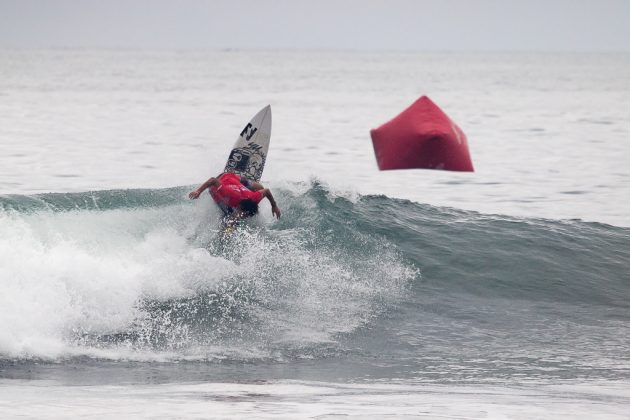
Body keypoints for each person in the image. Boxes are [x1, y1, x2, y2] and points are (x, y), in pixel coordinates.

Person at [188, 172, 281, 220]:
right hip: (221, 180)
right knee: (230, 217)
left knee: (260, 187)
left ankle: (245, 180)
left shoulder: (254, 197)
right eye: (243, 214)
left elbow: (267, 191)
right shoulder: (227, 194)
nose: (243, 217)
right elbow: (213, 180)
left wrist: (274, 205)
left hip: (234, 179)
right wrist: (198, 191)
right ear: (239, 206)